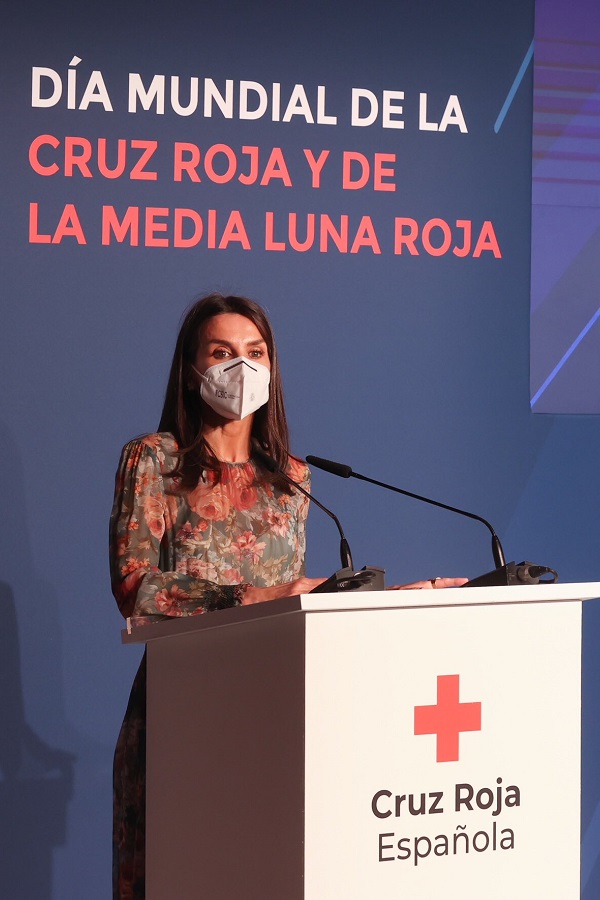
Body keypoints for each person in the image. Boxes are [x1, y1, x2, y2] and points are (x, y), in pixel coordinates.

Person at [109, 292, 465, 898]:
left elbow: (299, 608)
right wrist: (257, 594)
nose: (239, 366)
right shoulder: (154, 460)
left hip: (273, 716)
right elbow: (136, 587)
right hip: (182, 712)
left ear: (272, 369)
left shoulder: (293, 479)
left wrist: (394, 603)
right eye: (221, 352)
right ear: (192, 369)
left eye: (255, 352)